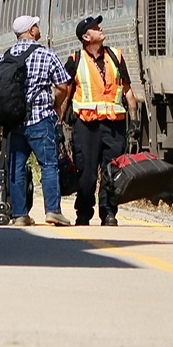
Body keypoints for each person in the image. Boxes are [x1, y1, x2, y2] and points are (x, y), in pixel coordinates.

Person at [0, 15, 71, 227]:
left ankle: (20, 214)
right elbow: (63, 85)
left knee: (17, 167)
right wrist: (56, 105)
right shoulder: (45, 54)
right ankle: (53, 211)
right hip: (40, 120)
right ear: (30, 31)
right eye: (36, 25)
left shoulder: (4, 57)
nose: (39, 28)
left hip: (15, 123)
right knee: (48, 165)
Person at [64, 15, 137, 227]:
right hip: (86, 127)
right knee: (86, 174)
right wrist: (58, 124)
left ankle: (108, 213)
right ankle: (84, 212)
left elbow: (128, 91)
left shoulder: (116, 57)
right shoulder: (75, 60)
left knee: (111, 173)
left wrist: (134, 121)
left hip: (114, 125)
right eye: (96, 27)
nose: (100, 28)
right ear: (86, 36)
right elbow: (65, 95)